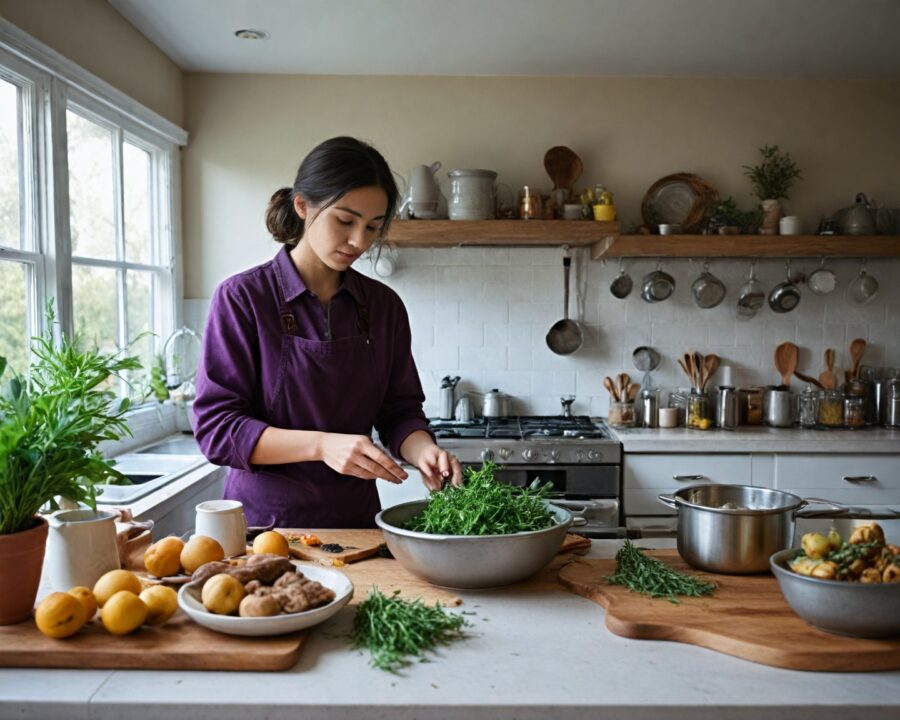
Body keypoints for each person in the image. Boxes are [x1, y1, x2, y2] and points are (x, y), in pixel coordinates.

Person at [193, 136, 462, 528]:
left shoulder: (384, 307)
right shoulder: (242, 298)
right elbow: (218, 430)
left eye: (372, 227)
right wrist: (322, 445)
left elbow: (399, 412)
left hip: (356, 527)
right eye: (345, 220)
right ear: (302, 206)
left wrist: (424, 451)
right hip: (264, 528)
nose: (359, 242)